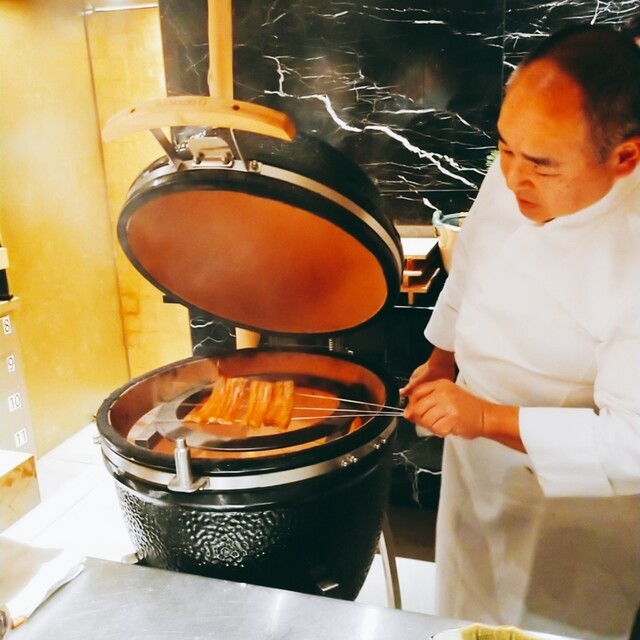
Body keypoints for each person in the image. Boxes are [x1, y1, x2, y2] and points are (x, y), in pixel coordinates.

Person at [401, 24, 640, 640]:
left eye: (540, 164)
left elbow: (632, 445)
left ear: (625, 157)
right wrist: (441, 359)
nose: (512, 179)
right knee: (462, 610)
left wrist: (485, 418)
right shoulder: (523, 160)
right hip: (474, 461)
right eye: (504, 148)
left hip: (573, 498)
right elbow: (474, 259)